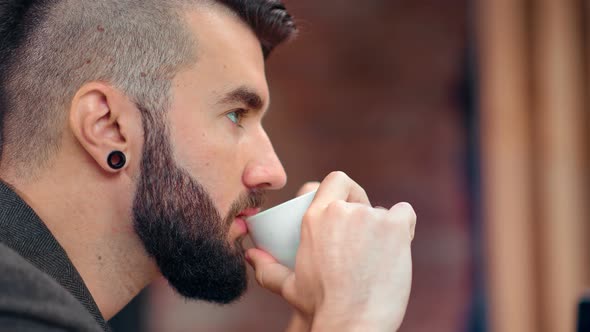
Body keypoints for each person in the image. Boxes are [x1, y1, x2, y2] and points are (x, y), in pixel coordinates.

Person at [0, 0, 417, 331]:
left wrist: (319, 319)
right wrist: (357, 317)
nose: (273, 171)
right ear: (108, 126)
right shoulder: (19, 308)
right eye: (236, 114)